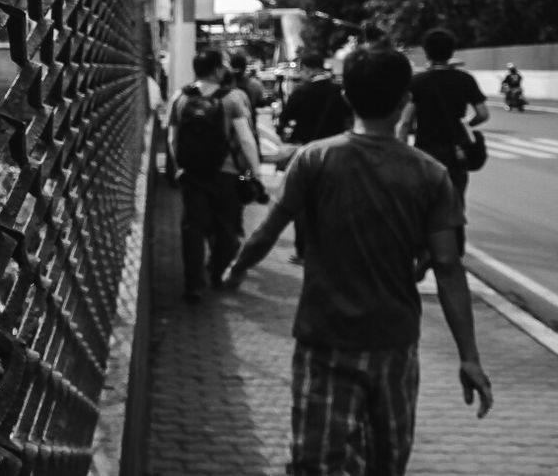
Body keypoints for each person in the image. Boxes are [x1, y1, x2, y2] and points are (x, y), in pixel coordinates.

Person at [223, 46, 493, 474]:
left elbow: (266, 232)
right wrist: (469, 357)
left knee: (315, 461)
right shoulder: (429, 174)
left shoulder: (315, 158)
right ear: (406, 100)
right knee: (387, 460)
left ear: (347, 97)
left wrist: (235, 270)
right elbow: (447, 267)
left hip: (324, 338)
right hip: (394, 342)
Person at [167, 50, 263, 302]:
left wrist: (179, 166)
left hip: (192, 174)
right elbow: (245, 139)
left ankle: (193, 285)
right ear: (217, 70)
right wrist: (254, 172)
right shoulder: (231, 98)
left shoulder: (180, 97)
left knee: (192, 229)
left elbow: (172, 137)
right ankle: (219, 274)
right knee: (226, 227)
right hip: (226, 174)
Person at [396, 28, 488, 254]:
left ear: (426, 53)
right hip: (457, 152)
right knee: (456, 200)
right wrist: (465, 124)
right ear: (452, 51)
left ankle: (426, 249)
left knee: (424, 202)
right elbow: (483, 113)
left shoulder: (417, 82)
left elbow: (406, 121)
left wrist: (399, 150)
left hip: (426, 152)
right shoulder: (465, 80)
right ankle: (455, 250)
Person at [276, 53, 353, 264]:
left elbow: (284, 121)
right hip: (337, 153)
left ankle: (304, 251)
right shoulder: (340, 91)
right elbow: (350, 119)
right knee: (332, 202)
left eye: (301, 70)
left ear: (308, 69)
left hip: (307, 154)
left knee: (304, 204)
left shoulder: (301, 92)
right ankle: (329, 248)